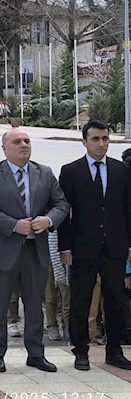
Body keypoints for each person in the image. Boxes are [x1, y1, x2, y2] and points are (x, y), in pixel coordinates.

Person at [0, 128, 70, 374]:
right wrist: (13, 225)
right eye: (17, 142)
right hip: (2, 250)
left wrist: (48, 220)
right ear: (4, 148)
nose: (24, 145)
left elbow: (61, 203)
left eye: (27, 141)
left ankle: (36, 353)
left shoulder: (44, 173)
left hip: (34, 249)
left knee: (33, 303)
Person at [58, 120, 131, 371]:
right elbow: (64, 212)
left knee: (115, 299)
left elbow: (128, 210)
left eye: (105, 139)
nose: (102, 144)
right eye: (96, 139)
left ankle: (114, 351)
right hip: (82, 247)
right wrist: (64, 247)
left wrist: (129, 244)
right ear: (84, 142)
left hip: (115, 246)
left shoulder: (121, 170)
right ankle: (81, 351)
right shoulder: (71, 171)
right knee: (81, 299)